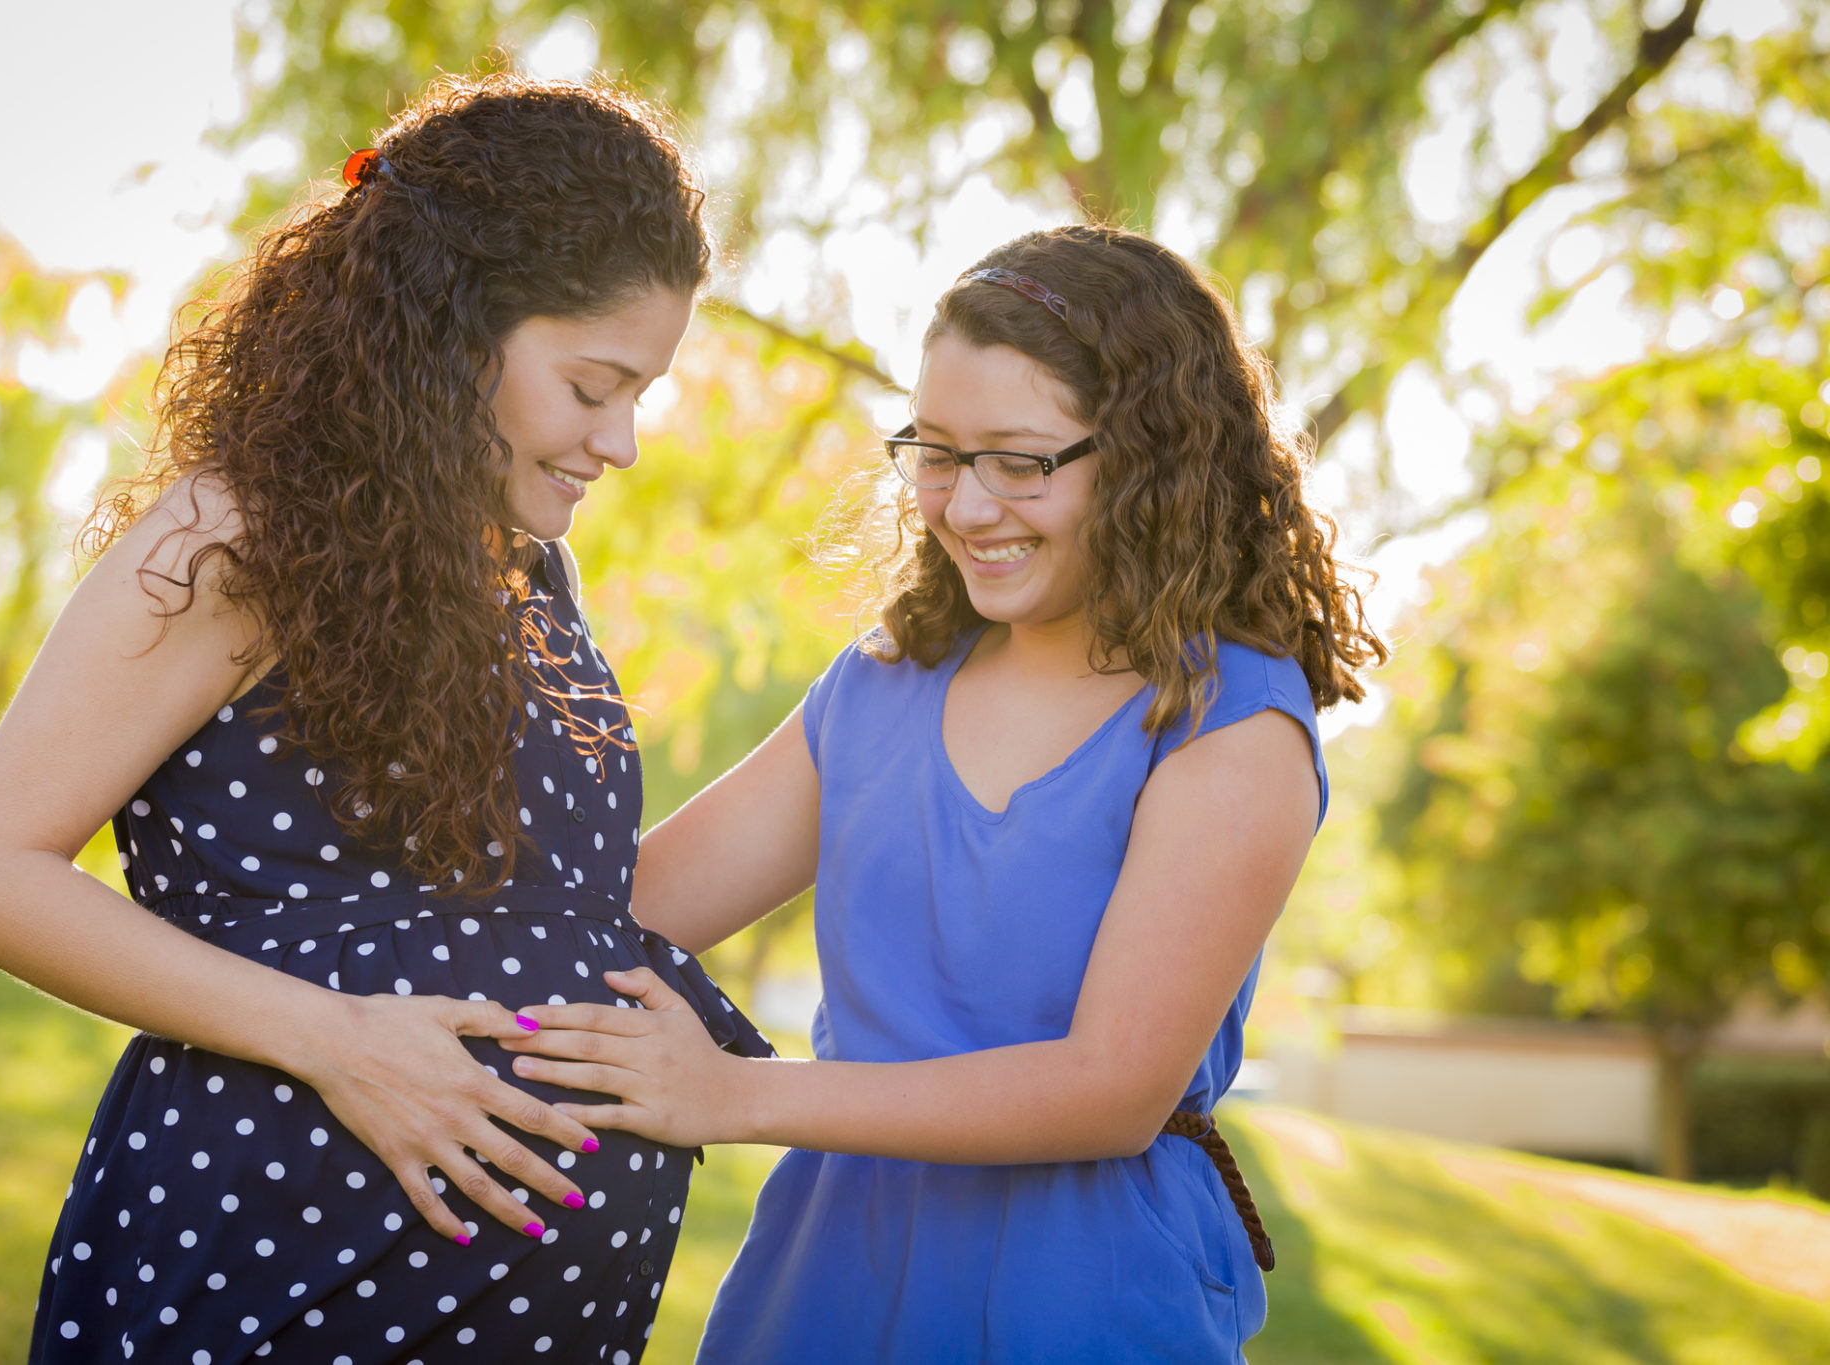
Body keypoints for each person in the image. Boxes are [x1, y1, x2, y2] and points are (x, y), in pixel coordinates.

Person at [0, 72, 770, 1365]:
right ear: (455, 327)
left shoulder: (531, 572)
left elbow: (541, 916)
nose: (623, 440)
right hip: (275, 1268)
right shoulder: (235, 540)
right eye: (594, 384)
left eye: (640, 393)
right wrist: (341, 1040)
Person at [500, 225, 1387, 1362]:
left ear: (1153, 460)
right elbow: (614, 920)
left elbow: (1106, 1089)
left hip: (1081, 1297)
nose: (966, 508)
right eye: (936, 453)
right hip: (823, 1288)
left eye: (1021, 461)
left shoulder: (1230, 721)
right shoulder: (878, 686)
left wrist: (736, 1095)